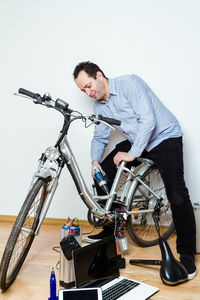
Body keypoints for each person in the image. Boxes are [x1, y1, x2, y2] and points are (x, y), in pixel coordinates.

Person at [73, 61, 197, 280]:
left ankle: (187, 255)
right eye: (83, 90)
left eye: (88, 85)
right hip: (138, 140)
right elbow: (100, 137)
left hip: (164, 137)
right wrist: (95, 162)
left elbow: (148, 120)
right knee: (103, 172)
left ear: (99, 75)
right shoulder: (100, 107)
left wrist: (132, 154)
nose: (88, 92)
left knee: (177, 194)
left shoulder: (130, 83)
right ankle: (110, 230)